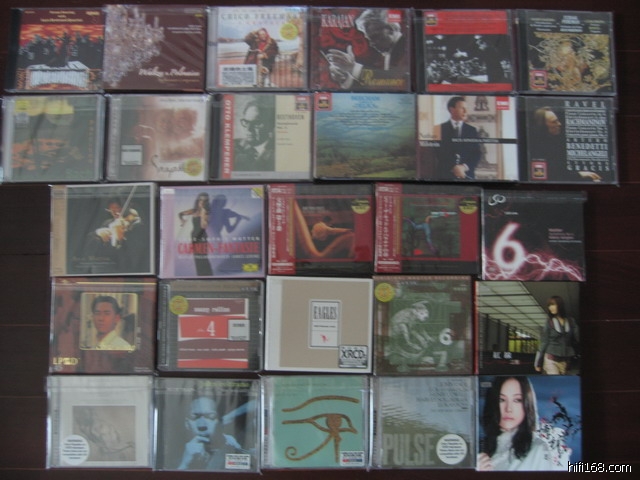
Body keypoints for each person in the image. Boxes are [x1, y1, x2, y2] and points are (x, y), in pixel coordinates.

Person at [478, 376, 566, 471]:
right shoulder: (483, 449)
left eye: (517, 400)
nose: (508, 408)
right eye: (502, 400)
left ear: (527, 403)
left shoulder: (537, 449)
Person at [324, 9, 406, 89]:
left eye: (375, 37)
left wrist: (352, 67)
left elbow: (394, 81)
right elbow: (385, 88)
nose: (372, 44)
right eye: (369, 39)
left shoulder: (404, 49)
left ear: (391, 30)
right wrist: (345, 79)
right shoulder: (393, 52)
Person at [530, 106, 601, 182]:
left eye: (557, 121)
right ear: (543, 125)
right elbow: (554, 176)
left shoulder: (554, 144)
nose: (559, 124)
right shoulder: (536, 149)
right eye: (554, 122)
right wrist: (579, 175)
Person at [178, 396, 245, 470]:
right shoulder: (175, 455)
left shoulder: (232, 446)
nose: (202, 425)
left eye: (210, 417)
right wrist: (184, 465)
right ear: (187, 423)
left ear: (220, 422)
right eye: (195, 417)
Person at [434, 96, 482, 180]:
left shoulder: (472, 130)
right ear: (451, 110)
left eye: (466, 108)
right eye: (462, 108)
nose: (466, 111)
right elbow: (438, 152)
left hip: (466, 176)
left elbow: (477, 153)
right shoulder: (438, 129)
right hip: (444, 176)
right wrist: (454, 167)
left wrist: (464, 167)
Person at [534, 296, 580, 375]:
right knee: (555, 379)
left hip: (565, 360)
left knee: (562, 381)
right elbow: (544, 342)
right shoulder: (549, 322)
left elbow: (577, 336)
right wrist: (537, 362)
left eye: (553, 305)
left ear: (560, 305)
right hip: (550, 359)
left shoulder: (571, 321)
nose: (550, 307)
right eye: (549, 305)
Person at [233, 99, 275, 172]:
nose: (248, 129)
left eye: (256, 123)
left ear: (270, 126)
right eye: (246, 122)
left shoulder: (278, 154)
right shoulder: (233, 147)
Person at [179, 192, 213, 276]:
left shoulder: (207, 212)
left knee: (203, 255)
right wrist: (182, 221)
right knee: (197, 256)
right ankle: (200, 274)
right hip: (194, 235)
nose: (202, 202)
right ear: (198, 200)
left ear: (207, 202)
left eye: (205, 200)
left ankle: (208, 274)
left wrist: (203, 213)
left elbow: (203, 226)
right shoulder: (194, 210)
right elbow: (180, 214)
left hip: (202, 236)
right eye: (201, 200)